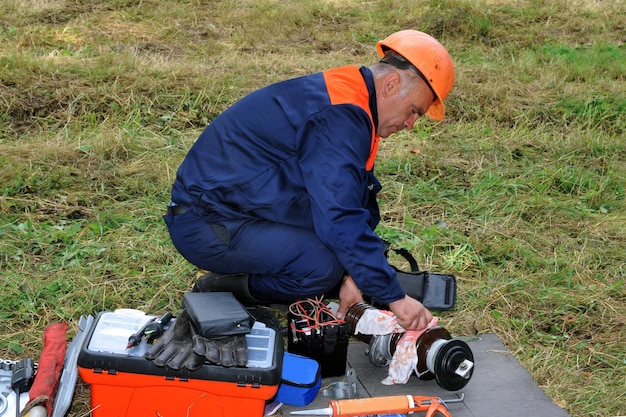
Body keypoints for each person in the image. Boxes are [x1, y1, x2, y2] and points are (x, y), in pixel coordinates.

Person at [164, 29, 454, 332]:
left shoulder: (352, 98)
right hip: (206, 221)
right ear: (391, 84)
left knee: (337, 255)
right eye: (414, 111)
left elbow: (354, 201)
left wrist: (353, 277)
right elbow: (339, 218)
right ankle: (221, 289)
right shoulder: (341, 116)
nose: (410, 124)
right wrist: (394, 298)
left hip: (242, 204)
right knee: (321, 266)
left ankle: (283, 280)